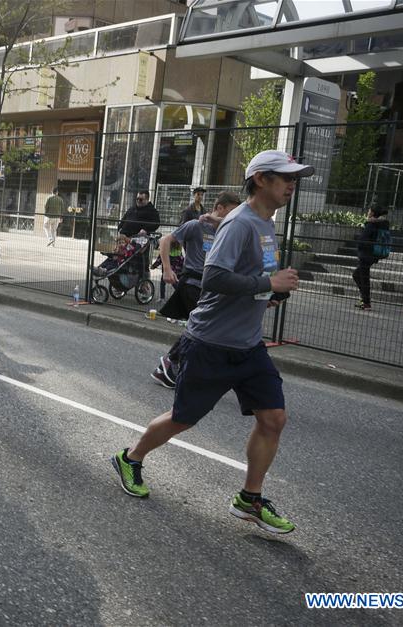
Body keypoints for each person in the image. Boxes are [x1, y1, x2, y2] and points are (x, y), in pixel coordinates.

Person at [111, 150, 313, 535]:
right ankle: (130, 457)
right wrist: (267, 284)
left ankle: (249, 498)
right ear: (260, 180)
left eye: (295, 179)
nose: (292, 185)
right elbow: (214, 277)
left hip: (248, 344)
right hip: (211, 342)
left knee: (273, 418)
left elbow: (250, 278)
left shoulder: (267, 225)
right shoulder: (239, 224)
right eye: (284, 177)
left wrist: (269, 291)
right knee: (183, 418)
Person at [152, 191, 242, 387]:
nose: (234, 217)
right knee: (204, 326)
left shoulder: (226, 231)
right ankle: (172, 363)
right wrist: (167, 269)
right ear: (220, 208)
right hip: (193, 283)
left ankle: (172, 364)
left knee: (202, 328)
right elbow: (165, 240)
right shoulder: (195, 226)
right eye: (231, 212)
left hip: (211, 288)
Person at [352, 204, 390, 311]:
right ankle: (364, 299)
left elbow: (363, 240)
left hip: (366, 254)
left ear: (372, 213)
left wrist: (359, 246)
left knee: (364, 278)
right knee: (356, 275)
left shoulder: (371, 224)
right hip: (373, 254)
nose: (368, 212)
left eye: (369, 210)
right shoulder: (382, 224)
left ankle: (366, 302)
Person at [117, 190, 160, 279]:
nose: (138, 201)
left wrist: (146, 229)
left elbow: (156, 223)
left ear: (147, 199)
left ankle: (144, 283)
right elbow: (124, 219)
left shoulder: (152, 211)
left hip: (139, 241)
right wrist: (120, 228)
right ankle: (120, 280)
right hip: (125, 239)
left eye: (141, 199)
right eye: (137, 199)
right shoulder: (132, 208)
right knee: (121, 259)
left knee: (142, 262)